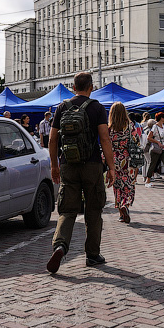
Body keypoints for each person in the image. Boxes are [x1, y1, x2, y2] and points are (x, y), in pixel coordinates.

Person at [46, 72, 117, 274]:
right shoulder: (97, 107)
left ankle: (60, 246)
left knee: (67, 210)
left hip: (68, 164)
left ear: (73, 87)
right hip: (92, 165)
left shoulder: (62, 107)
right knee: (94, 210)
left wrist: (54, 165)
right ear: (91, 87)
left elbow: (52, 139)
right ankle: (93, 255)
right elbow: (105, 139)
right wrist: (111, 167)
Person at [107, 102, 136, 223]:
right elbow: (136, 141)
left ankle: (120, 213)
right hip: (128, 159)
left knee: (117, 186)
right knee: (128, 185)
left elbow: (106, 145)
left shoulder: (109, 129)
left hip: (114, 159)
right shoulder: (130, 126)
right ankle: (125, 204)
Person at [144, 112, 164, 188]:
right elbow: (149, 138)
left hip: (163, 148)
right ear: (161, 118)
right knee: (152, 164)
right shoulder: (155, 127)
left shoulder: (163, 126)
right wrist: (158, 142)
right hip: (156, 149)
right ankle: (148, 180)